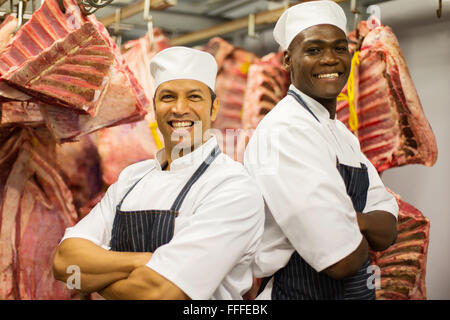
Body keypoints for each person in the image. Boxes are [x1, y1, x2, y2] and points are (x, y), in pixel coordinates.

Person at [53, 46, 264, 300]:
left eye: (194, 97)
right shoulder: (131, 179)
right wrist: (143, 262)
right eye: (167, 97)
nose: (179, 108)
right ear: (155, 107)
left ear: (214, 108)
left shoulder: (232, 187)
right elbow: (64, 262)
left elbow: (160, 294)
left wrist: (91, 279)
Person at [244, 1, 398, 300]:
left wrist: (354, 222)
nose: (330, 59)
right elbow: (340, 260)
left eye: (340, 48)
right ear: (288, 60)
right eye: (314, 50)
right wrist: (363, 222)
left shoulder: (341, 134)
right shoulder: (285, 130)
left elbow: (389, 229)